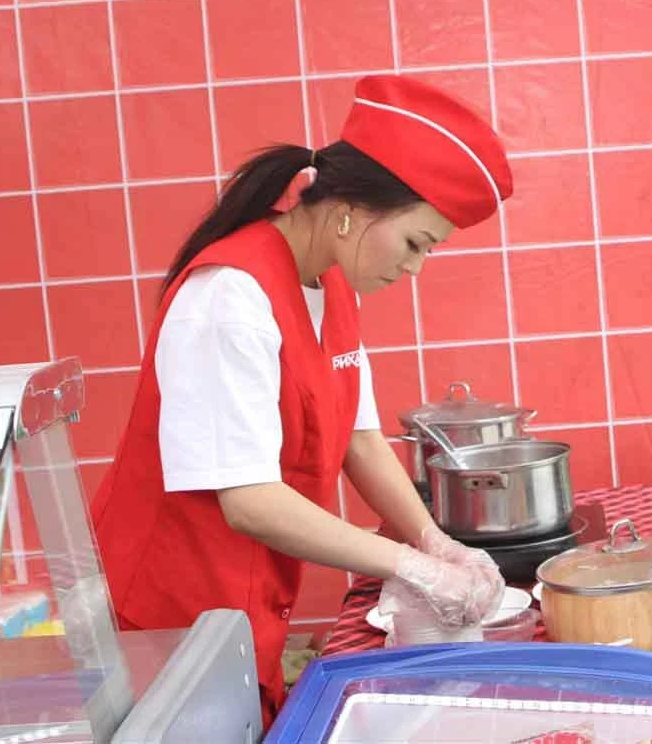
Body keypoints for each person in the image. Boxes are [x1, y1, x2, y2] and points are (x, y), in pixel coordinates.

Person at [92, 75, 514, 727]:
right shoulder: (228, 297)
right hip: (167, 630)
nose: (415, 268)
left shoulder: (328, 282)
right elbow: (250, 500)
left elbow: (360, 439)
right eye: (415, 243)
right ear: (352, 209)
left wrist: (435, 542)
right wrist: (410, 565)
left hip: (240, 614)